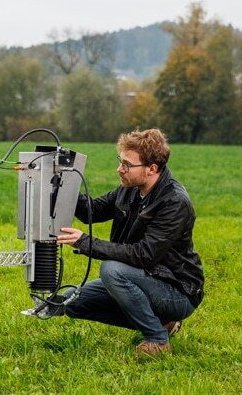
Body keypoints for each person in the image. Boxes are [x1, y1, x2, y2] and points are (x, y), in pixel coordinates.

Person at [55, 128, 204, 357]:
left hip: (177, 290)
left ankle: (157, 339)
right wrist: (62, 182)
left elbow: (144, 255)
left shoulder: (174, 202)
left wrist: (85, 242)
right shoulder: (129, 190)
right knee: (71, 302)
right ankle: (163, 323)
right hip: (143, 278)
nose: (119, 169)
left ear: (152, 169)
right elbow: (91, 211)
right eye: (120, 161)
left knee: (112, 270)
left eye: (127, 164)